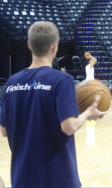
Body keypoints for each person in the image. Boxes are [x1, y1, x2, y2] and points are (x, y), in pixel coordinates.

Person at [0, 21, 106, 188]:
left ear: (29, 45)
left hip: (22, 178)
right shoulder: (61, 80)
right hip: (57, 178)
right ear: (54, 48)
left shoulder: (11, 83)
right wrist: (88, 112)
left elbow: (4, 131)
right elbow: (69, 127)